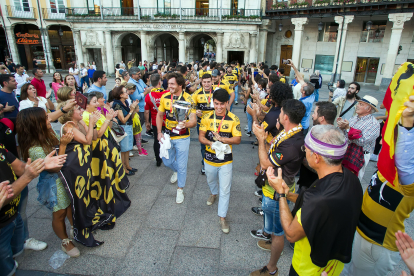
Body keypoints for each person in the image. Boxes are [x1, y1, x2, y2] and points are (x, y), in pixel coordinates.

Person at [266, 125, 363, 276]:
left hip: (308, 269)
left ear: (316, 157)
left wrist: (281, 194)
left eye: (306, 150)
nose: (304, 154)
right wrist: (288, 193)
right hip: (333, 266)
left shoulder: (318, 197)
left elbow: (291, 234)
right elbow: (316, 209)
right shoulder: (350, 179)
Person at [341, 95, 414, 276]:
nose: (382, 141)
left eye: (389, 138)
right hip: (360, 233)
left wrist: (406, 124)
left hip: (376, 245)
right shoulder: (386, 169)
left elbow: (404, 161)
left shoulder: (407, 179)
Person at [250, 99, 306, 276]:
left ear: (286, 117)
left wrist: (260, 139)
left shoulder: (291, 144)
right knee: (274, 226)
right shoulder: (291, 133)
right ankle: (272, 240)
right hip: (274, 186)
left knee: (278, 232)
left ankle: (271, 268)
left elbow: (266, 163)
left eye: (281, 112)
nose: (278, 114)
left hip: (276, 191)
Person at [17, 107, 80, 257]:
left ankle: (74, 227)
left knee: (69, 206)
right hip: (53, 184)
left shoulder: (47, 135)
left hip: (63, 179)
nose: (49, 119)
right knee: (60, 213)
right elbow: (54, 168)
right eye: (45, 118)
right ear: (36, 124)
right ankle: (65, 241)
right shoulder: (34, 148)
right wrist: (64, 145)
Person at [0, 141, 64, 276]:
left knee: (12, 254)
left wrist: (41, 165)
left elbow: (19, 167)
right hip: (2, 224)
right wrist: (27, 177)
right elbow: (4, 196)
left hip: (13, 216)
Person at [198, 89, 241, 233]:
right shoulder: (206, 117)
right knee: (210, 180)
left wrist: (223, 140)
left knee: (225, 189)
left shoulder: (234, 119)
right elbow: (201, 137)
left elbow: (238, 139)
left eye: (222, 104)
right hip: (209, 158)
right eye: (216, 104)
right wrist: (211, 144)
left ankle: (222, 217)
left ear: (227, 103)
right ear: (213, 103)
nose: (219, 107)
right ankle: (213, 193)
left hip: (226, 161)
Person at [156, 73, 197, 204]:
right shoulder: (165, 96)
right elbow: (160, 115)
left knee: (182, 164)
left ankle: (180, 189)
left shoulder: (188, 99)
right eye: (168, 84)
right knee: (166, 161)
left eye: (172, 84)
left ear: (180, 85)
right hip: (167, 135)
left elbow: (193, 120)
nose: (169, 86)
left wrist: (186, 124)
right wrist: (158, 132)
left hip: (182, 137)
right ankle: (176, 171)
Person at [337, 95, 380, 180]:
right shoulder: (354, 118)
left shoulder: (373, 124)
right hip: (347, 151)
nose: (357, 106)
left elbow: (361, 141)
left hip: (359, 156)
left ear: (369, 109)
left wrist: (348, 129)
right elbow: (346, 135)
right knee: (342, 177)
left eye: (361, 104)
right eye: (358, 103)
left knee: (354, 180)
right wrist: (342, 127)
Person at [112, 86, 140, 175]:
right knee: (124, 148)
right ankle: (124, 168)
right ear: (120, 95)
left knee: (127, 148)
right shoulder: (117, 104)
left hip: (128, 126)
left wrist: (134, 108)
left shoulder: (125, 102)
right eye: (125, 92)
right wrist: (131, 111)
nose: (127, 93)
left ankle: (127, 165)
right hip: (123, 128)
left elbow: (130, 117)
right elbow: (123, 120)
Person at [192, 73, 215, 174]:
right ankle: (204, 163)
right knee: (203, 144)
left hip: (215, 124)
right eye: (204, 82)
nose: (206, 84)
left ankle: (214, 162)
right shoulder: (196, 93)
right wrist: (195, 111)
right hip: (201, 124)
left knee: (216, 142)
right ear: (201, 82)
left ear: (212, 82)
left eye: (208, 82)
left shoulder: (216, 92)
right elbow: (191, 107)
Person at [145, 73, 167, 166]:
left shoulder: (148, 96)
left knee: (156, 140)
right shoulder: (166, 94)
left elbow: (146, 112)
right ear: (159, 82)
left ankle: (158, 159)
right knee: (167, 139)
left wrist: (147, 123)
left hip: (155, 121)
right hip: (166, 121)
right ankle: (166, 157)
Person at [288, 60, 315, 135]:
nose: (301, 84)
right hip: (306, 125)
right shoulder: (311, 94)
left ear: (303, 92)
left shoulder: (303, 103)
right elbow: (301, 79)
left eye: (302, 86)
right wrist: (293, 67)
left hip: (301, 127)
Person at [128, 67, 149, 143]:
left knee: (140, 125)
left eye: (140, 73)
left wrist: (144, 91)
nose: (140, 75)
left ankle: (139, 138)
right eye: (138, 74)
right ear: (133, 75)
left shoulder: (139, 80)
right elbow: (136, 97)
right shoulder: (131, 83)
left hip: (143, 106)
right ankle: (135, 141)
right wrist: (145, 92)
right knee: (137, 125)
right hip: (138, 108)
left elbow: (145, 87)